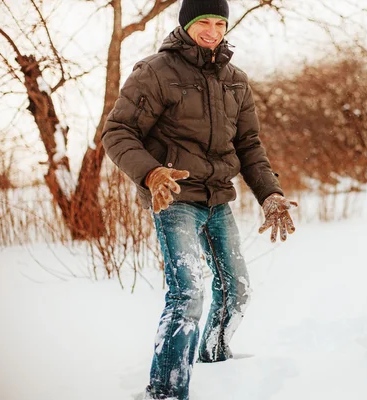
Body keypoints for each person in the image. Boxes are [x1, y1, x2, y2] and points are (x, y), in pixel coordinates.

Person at [101, 0, 298, 398]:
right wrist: (152, 172)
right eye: (203, 21)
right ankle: (167, 392)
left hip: (218, 199)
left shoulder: (235, 79)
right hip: (173, 198)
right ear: (186, 23)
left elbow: (248, 144)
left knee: (236, 289)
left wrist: (270, 193)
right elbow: (118, 132)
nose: (212, 30)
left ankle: (215, 368)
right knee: (188, 292)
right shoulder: (155, 72)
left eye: (219, 22)